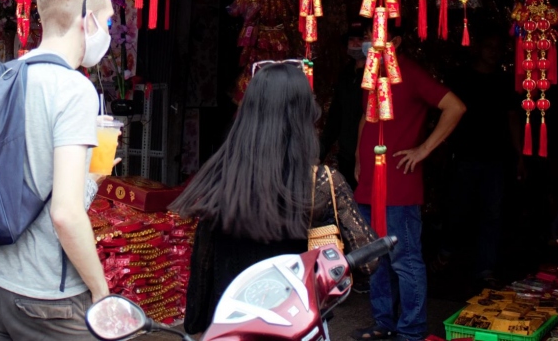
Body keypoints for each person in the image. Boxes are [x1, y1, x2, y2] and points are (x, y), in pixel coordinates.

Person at [173, 61, 380, 335]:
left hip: (231, 328)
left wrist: (196, 325)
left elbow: (203, 266)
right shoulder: (320, 183)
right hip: (296, 326)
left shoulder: (221, 177)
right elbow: (368, 263)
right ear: (303, 117)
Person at [0, 0, 114, 340]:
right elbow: (65, 214)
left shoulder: (2, 76)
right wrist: (101, 292)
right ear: (87, 21)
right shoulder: (73, 89)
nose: (109, 33)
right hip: (46, 296)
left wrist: (90, 179)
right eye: (107, 22)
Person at [353, 41, 465, 341]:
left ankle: (412, 329)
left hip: (399, 186)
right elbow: (366, 116)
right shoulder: (371, 72)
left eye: (373, 31)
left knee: (405, 260)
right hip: (368, 185)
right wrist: (357, 156)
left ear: (397, 40)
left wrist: (423, 149)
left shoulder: (411, 73)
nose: (367, 39)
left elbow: (455, 107)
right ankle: (383, 322)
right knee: (375, 259)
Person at [436, 34, 521, 283]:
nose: (493, 51)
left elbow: (513, 118)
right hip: (463, 154)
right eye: (489, 45)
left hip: (495, 156)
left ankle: (485, 268)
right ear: (478, 47)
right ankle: (446, 251)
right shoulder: (460, 78)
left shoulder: (504, 81)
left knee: (492, 214)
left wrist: (519, 155)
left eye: (498, 47)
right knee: (457, 209)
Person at [321, 24, 371, 186]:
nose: (356, 44)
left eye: (361, 39)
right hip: (346, 152)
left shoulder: (377, 73)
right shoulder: (346, 74)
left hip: (369, 152)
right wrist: (321, 151)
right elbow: (336, 115)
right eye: (352, 40)